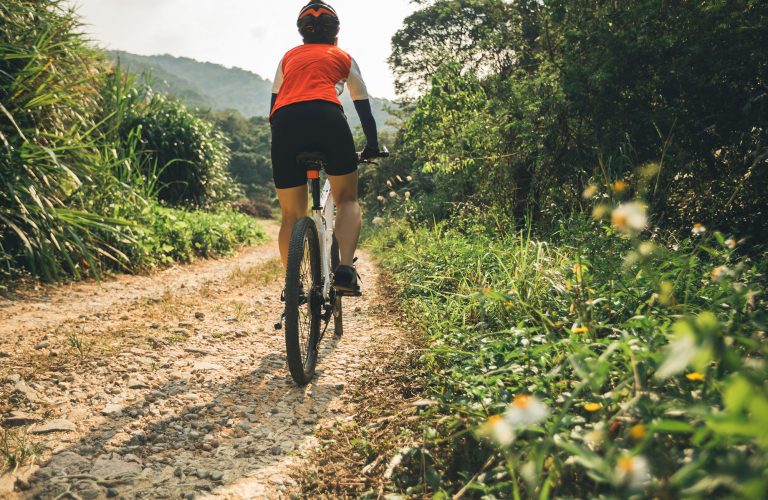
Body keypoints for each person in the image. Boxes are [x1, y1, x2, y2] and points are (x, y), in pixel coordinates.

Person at [270, 0, 383, 293]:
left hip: (285, 123)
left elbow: (273, 106)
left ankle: (292, 285)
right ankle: (344, 270)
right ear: (336, 33)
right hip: (327, 118)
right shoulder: (342, 56)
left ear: (302, 34)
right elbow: (363, 107)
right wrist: (372, 145)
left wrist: (283, 140)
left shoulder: (288, 58)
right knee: (347, 198)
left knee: (291, 215)